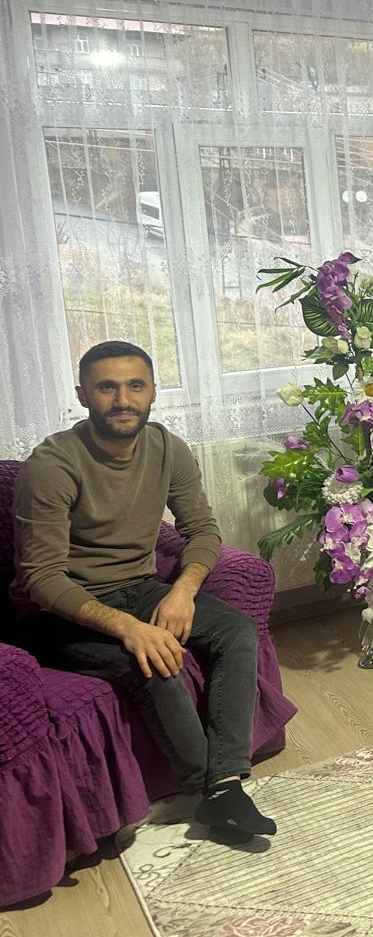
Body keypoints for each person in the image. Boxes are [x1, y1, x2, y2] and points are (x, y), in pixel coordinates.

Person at [11, 341, 275, 841]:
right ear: (82, 395)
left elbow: (202, 530)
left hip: (140, 586)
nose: (122, 400)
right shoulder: (52, 464)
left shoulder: (168, 448)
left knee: (236, 630)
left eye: (135, 386)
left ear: (153, 391)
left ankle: (225, 782)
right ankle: (214, 791)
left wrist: (183, 591)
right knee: (154, 662)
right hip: (58, 613)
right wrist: (129, 629)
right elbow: (41, 578)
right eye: (106, 388)